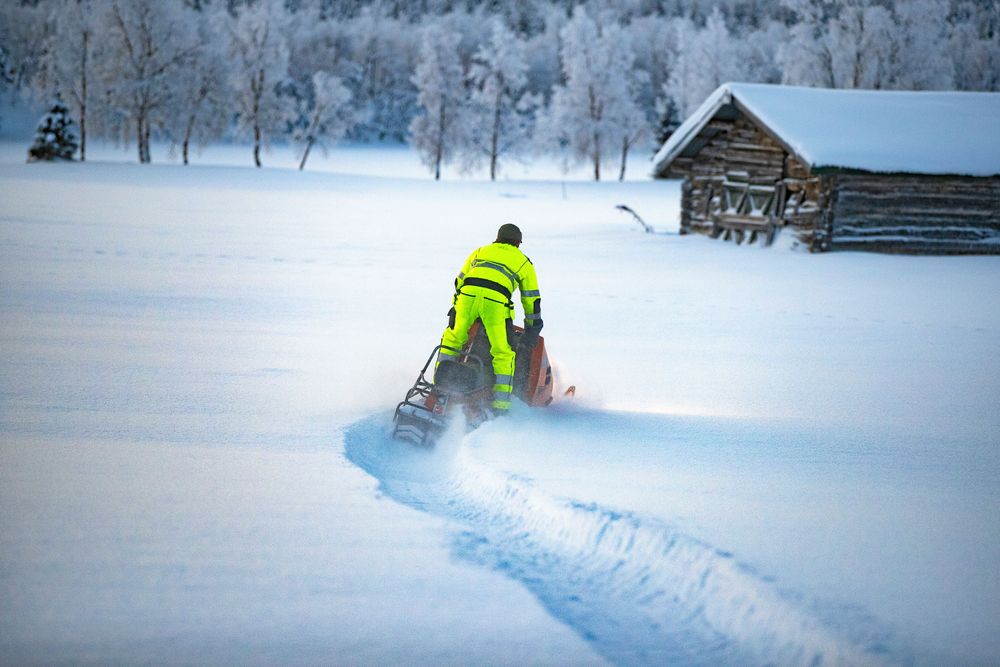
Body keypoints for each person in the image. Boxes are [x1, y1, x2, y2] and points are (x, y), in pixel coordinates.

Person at [437, 223, 542, 414]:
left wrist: (455, 307)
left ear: (497, 238)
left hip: (467, 298)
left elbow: (459, 280)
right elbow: (531, 299)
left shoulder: (480, 252)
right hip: (495, 303)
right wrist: (533, 327)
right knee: (502, 353)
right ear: (518, 243)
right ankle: (500, 407)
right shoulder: (523, 262)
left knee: (451, 341)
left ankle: (438, 392)